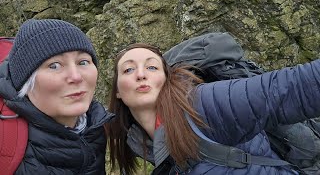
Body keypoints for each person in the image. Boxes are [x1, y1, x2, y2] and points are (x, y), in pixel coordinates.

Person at [104, 42, 320, 175]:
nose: (141, 74)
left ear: (166, 79)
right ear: (118, 92)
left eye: (152, 67)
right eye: (129, 69)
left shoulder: (205, 104)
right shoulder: (144, 144)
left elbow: (289, 88)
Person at [0, 19, 114, 174]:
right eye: (54, 65)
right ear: (26, 83)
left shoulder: (95, 128)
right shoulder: (5, 141)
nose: (76, 76)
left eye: (83, 62)